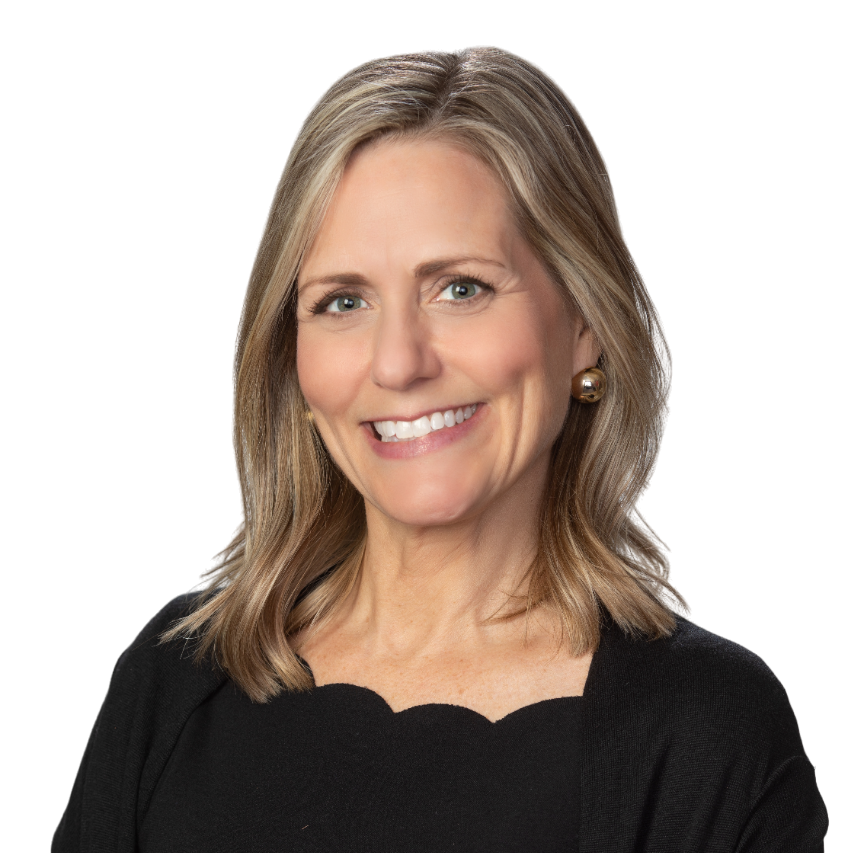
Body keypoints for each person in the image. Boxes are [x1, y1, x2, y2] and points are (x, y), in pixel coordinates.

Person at [53, 47, 828, 852]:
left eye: (460, 288)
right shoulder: (177, 681)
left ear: (585, 325)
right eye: (342, 300)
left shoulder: (706, 736)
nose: (397, 362)